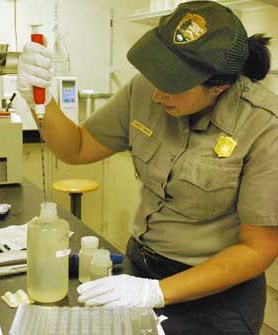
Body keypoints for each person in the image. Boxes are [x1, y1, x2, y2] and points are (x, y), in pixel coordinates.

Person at [17, 1, 278, 334]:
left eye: (172, 84)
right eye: (156, 75)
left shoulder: (265, 125)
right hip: (139, 268)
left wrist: (155, 293)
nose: (156, 94)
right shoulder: (144, 90)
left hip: (217, 297)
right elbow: (77, 148)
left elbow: (258, 248)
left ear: (219, 86)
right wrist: (38, 99)